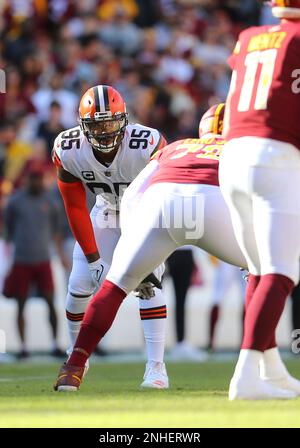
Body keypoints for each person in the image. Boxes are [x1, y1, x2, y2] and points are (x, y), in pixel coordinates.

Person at [52, 84, 168, 388]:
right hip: (104, 212)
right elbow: (75, 205)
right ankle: (76, 355)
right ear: (82, 125)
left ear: (125, 119)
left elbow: (164, 192)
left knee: (149, 285)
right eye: (97, 124)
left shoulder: (148, 142)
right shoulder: (69, 149)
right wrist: (93, 260)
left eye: (111, 122)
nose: (104, 131)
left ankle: (156, 367)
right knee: (79, 284)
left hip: (143, 216)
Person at [219, 0, 300, 399]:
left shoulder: (249, 37)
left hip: (231, 155)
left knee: (257, 270)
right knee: (282, 271)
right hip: (274, 156)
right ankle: (247, 374)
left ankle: (270, 368)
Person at [3, 163, 66, 358]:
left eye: (39, 178)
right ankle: (23, 347)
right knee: (21, 303)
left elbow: (56, 231)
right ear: (27, 179)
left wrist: (60, 254)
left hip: (43, 258)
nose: (37, 182)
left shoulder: (51, 202)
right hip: (22, 258)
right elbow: (8, 227)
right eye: (34, 178)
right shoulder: (16, 201)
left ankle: (55, 343)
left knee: (49, 300)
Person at [207, 257, 245, 352]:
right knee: (217, 298)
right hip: (228, 256)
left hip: (243, 256)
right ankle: (211, 343)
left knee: (248, 299)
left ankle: (245, 343)